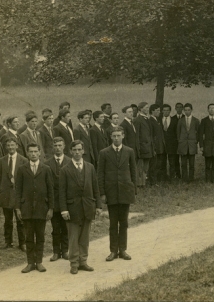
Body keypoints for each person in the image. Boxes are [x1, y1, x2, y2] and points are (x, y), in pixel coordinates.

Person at [59, 140, 102, 275]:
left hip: (88, 207)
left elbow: (95, 188)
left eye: (79, 150)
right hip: (72, 209)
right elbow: (62, 192)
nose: (77, 152)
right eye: (74, 150)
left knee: (85, 237)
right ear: (70, 151)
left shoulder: (90, 167)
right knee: (73, 237)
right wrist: (64, 209)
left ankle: (83, 261)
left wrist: (98, 206)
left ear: (83, 151)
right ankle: (74, 263)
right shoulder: (65, 170)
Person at [98, 126, 137, 261]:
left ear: (123, 136)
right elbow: (100, 174)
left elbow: (133, 171)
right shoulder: (104, 153)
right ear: (110, 137)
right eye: (114, 136)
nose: (116, 138)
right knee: (113, 223)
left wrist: (133, 190)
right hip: (111, 193)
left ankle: (123, 250)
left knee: (124, 223)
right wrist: (102, 193)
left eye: (118, 135)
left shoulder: (129, 151)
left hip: (125, 192)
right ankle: (113, 251)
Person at [15, 143, 54, 273]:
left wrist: (50, 208)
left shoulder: (46, 168)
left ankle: (39, 262)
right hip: (26, 208)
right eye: (30, 151)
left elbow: (50, 190)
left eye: (35, 151)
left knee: (40, 236)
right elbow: (18, 190)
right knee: (29, 237)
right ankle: (30, 262)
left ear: (39, 153)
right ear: (27, 153)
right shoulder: (21, 169)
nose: (33, 154)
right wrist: (18, 208)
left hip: (41, 208)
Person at [0, 137, 27, 251]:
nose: (10, 147)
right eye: (8, 145)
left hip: (18, 195)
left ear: (17, 146)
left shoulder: (23, 160)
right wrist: (0, 191)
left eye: (12, 145)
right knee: (7, 220)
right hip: (6, 195)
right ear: (6, 147)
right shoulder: (2, 161)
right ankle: (8, 241)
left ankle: (22, 242)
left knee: (20, 220)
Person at [44, 137, 71, 261]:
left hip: (66, 201)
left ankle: (65, 250)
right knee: (55, 228)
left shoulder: (69, 162)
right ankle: (56, 251)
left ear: (64, 146)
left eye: (60, 145)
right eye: (55, 146)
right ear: (52, 147)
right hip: (54, 201)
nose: (58, 148)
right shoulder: (47, 163)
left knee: (65, 227)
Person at [198, 103, 214, 183]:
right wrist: (202, 146)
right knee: (208, 164)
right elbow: (200, 134)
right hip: (208, 146)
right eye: (210, 108)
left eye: (213, 108)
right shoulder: (204, 120)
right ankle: (208, 179)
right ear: (208, 110)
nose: (212, 110)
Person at [176, 103, 200, 183]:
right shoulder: (180, 120)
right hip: (183, 144)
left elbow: (198, 132)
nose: (187, 112)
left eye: (188, 110)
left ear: (191, 110)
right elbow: (178, 132)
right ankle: (184, 178)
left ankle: (191, 178)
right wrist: (180, 141)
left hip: (192, 144)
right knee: (183, 163)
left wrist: (195, 141)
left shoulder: (196, 120)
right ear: (183, 110)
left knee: (192, 164)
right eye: (185, 110)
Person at [133, 102, 153, 187]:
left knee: (146, 166)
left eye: (148, 108)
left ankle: (143, 182)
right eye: (146, 108)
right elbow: (136, 136)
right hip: (142, 147)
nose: (147, 109)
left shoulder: (147, 119)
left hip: (148, 147)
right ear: (140, 109)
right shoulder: (138, 120)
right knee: (140, 167)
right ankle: (139, 183)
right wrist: (138, 149)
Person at [148, 104, 165, 183]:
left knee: (158, 164)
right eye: (157, 110)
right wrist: (154, 147)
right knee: (154, 164)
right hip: (156, 147)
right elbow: (151, 135)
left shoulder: (157, 120)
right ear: (152, 111)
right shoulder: (150, 121)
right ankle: (152, 181)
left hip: (160, 146)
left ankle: (156, 180)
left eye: (159, 110)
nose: (159, 112)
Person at [161, 104, 179, 180]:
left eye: (167, 110)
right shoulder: (159, 120)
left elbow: (177, 133)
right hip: (162, 145)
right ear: (162, 111)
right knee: (162, 162)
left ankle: (172, 177)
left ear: (170, 111)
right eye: (164, 110)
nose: (166, 112)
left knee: (172, 162)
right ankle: (163, 177)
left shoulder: (175, 120)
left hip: (172, 145)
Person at [171, 103, 184, 178]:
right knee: (176, 159)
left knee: (184, 159)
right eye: (177, 107)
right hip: (175, 142)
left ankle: (184, 174)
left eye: (180, 107)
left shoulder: (185, 118)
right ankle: (177, 174)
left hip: (184, 142)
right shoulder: (172, 119)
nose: (179, 109)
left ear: (182, 109)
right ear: (175, 108)